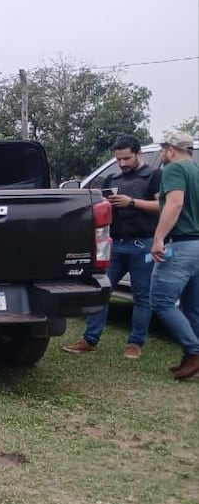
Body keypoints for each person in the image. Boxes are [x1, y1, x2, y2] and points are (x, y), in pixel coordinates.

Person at [63, 134, 161, 359]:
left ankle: (135, 343)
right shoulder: (112, 179)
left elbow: (162, 205)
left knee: (142, 296)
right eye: (119, 159)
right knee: (101, 291)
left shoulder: (154, 176)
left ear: (138, 154)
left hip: (143, 244)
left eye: (127, 158)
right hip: (115, 243)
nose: (123, 163)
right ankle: (90, 339)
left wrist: (132, 202)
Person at [148, 130, 199, 380]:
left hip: (181, 245)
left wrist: (158, 238)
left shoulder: (174, 170)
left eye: (162, 148)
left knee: (160, 301)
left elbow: (176, 203)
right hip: (197, 245)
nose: (161, 153)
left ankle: (194, 351)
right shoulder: (196, 170)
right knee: (192, 307)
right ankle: (192, 358)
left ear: (171, 150)